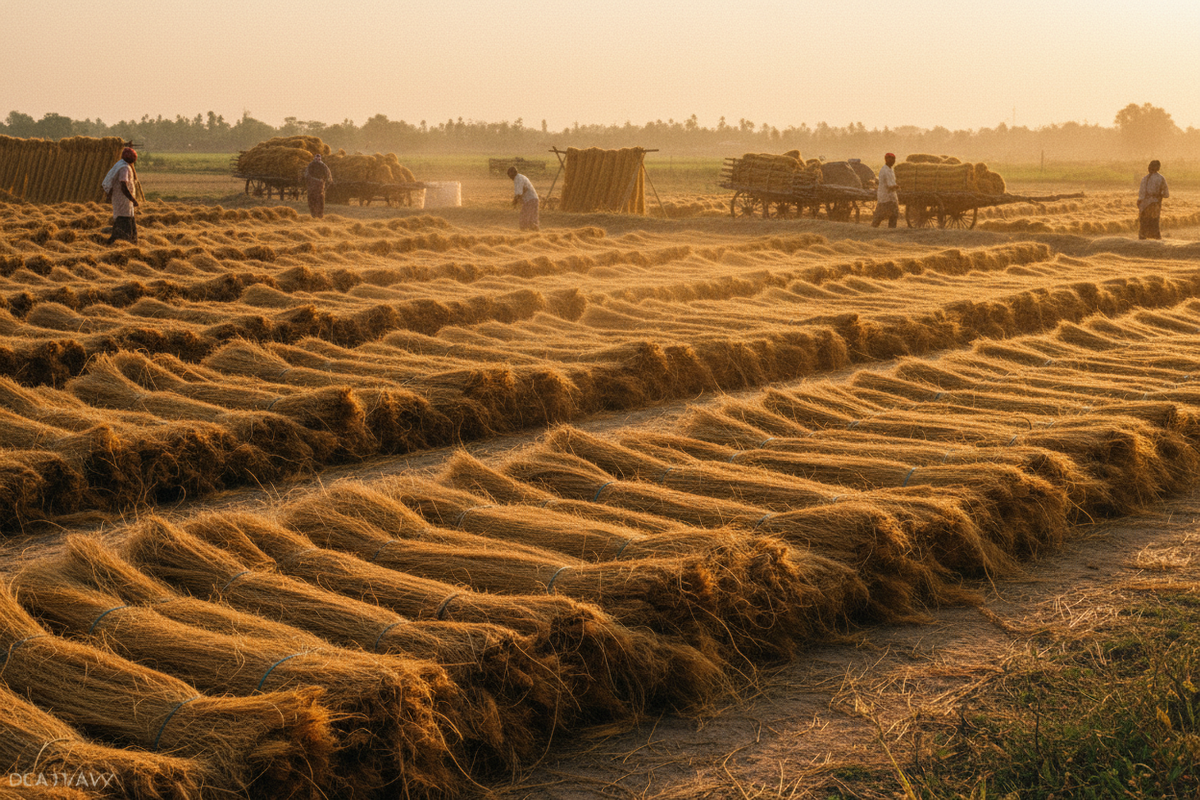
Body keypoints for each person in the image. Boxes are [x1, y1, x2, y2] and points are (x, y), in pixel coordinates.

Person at [102, 147, 140, 245]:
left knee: (127, 219)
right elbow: (123, 186)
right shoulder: (124, 168)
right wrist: (133, 199)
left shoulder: (120, 164)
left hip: (121, 199)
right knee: (124, 221)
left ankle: (130, 241)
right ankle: (119, 242)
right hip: (122, 199)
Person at [1138, 160, 1169, 240]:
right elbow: (1166, 194)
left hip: (1144, 204)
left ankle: (1143, 238)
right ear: (1158, 168)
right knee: (1154, 221)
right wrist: (1160, 196)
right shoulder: (1161, 178)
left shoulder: (1144, 178)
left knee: (1144, 222)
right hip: (1155, 203)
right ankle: (1156, 238)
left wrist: (1140, 203)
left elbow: (1141, 194)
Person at [871, 152, 900, 228]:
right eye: (891, 159)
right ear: (886, 160)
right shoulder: (885, 170)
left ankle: (891, 229)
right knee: (880, 215)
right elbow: (890, 185)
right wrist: (897, 187)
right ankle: (873, 228)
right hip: (885, 196)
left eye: (894, 159)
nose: (893, 161)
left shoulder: (891, 170)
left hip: (891, 197)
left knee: (894, 214)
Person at [508, 166, 539, 231]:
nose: (509, 177)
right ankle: (535, 233)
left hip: (530, 200)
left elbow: (519, 193)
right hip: (534, 199)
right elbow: (523, 191)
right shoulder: (521, 177)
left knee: (523, 218)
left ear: (511, 173)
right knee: (532, 219)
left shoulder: (517, 179)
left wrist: (514, 202)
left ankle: (524, 233)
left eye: (509, 174)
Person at [304, 153, 333, 219]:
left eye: (319, 159)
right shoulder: (311, 165)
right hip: (312, 186)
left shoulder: (323, 166)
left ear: (320, 159)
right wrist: (311, 182)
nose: (318, 160)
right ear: (314, 158)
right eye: (316, 158)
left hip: (320, 186)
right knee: (311, 199)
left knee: (320, 200)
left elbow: (328, 176)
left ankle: (320, 215)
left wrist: (324, 182)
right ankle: (313, 214)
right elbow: (306, 175)